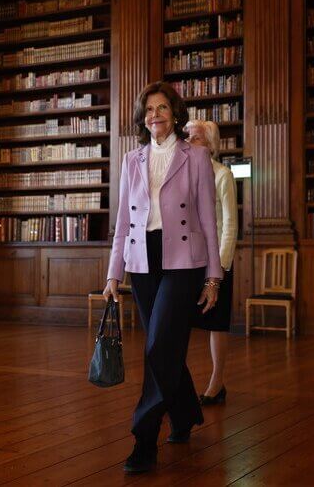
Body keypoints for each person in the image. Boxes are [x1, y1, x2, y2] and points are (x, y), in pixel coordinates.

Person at [103, 81, 222, 474]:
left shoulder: (197, 157)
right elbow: (122, 222)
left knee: (156, 347)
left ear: (175, 114)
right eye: (149, 109)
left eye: (163, 108)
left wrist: (213, 277)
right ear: (143, 118)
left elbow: (209, 218)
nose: (156, 115)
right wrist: (112, 275)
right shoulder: (130, 160)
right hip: (142, 261)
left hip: (184, 260)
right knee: (165, 346)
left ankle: (144, 439)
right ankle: (186, 414)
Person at [185, 120, 238, 406]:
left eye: (194, 138)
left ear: (209, 145)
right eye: (188, 137)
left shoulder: (222, 175)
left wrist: (222, 267)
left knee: (217, 323)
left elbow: (229, 224)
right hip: (188, 259)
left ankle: (217, 383)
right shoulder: (183, 174)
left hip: (216, 261)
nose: (188, 142)